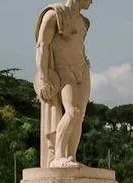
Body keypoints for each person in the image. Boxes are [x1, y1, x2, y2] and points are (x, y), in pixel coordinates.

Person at [34, 0, 93, 168]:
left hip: (82, 69)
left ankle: (71, 157)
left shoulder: (84, 22)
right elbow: (42, 46)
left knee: (79, 116)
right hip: (63, 69)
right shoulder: (54, 14)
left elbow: (79, 47)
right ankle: (58, 156)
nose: (92, 1)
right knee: (72, 111)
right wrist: (43, 77)